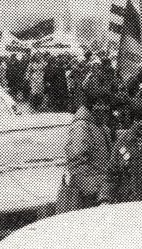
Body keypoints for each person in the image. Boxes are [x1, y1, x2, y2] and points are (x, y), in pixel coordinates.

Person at [56, 79, 114, 213]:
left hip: (101, 194)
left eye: (106, 104)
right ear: (90, 106)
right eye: (99, 104)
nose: (103, 108)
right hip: (90, 199)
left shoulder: (100, 126)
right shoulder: (82, 126)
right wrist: (96, 190)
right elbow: (76, 165)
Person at [98, 98, 142, 204]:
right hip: (127, 204)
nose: (141, 124)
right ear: (132, 120)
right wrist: (105, 198)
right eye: (138, 120)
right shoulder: (123, 142)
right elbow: (111, 174)